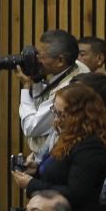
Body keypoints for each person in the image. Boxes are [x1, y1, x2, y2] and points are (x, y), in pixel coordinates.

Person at [15, 83, 106, 211]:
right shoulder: (68, 138)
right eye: (55, 111)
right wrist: (36, 171)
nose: (56, 119)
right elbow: (60, 174)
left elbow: (76, 193)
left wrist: (31, 184)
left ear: (79, 115)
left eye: (61, 114)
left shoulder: (91, 147)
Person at [18, 29, 88, 157]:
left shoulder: (67, 92)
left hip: (57, 157)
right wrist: (37, 80)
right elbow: (41, 103)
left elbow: (31, 127)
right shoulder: (76, 65)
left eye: (40, 56)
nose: (36, 59)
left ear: (60, 61)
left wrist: (26, 87)